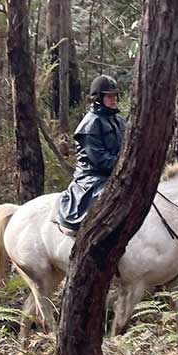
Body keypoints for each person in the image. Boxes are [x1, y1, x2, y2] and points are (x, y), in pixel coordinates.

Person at [58, 75, 128, 235]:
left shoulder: (119, 120)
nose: (113, 99)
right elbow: (100, 160)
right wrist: (127, 165)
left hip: (117, 171)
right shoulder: (90, 124)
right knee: (109, 197)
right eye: (109, 96)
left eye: (114, 95)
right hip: (93, 177)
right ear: (98, 98)